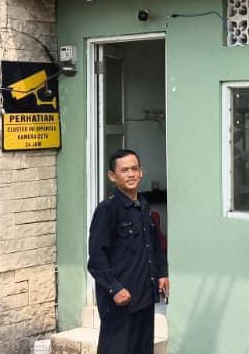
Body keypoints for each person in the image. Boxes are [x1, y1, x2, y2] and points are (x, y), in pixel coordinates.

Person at [88, 149, 169, 354]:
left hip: (144, 297)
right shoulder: (107, 210)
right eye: (124, 170)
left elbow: (155, 244)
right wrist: (114, 288)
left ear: (141, 172)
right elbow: (96, 259)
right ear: (112, 176)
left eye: (134, 169)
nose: (131, 174)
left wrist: (162, 273)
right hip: (120, 302)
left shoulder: (143, 206)